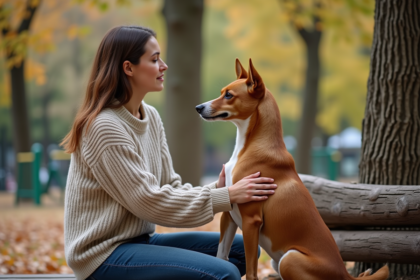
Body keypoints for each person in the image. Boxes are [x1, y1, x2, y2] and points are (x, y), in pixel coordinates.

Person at [61, 25, 277, 280]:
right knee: (224, 274)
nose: (164, 66)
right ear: (128, 68)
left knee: (240, 251)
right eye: (154, 60)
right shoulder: (104, 127)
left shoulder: (149, 116)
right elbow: (149, 202)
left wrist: (218, 189)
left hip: (138, 241)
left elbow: (169, 185)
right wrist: (227, 196)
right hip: (102, 255)